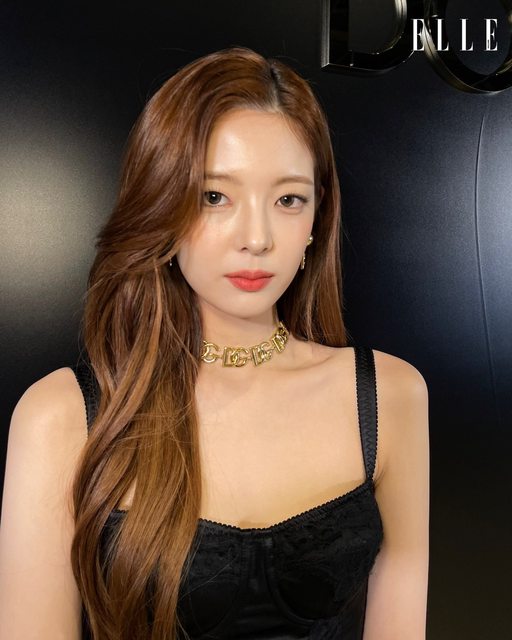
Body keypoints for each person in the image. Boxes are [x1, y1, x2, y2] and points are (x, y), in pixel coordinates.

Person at [0, 46, 429, 639]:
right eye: (214, 196)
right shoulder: (61, 418)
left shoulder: (389, 397)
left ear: (316, 220)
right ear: (162, 206)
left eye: (288, 199)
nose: (256, 237)